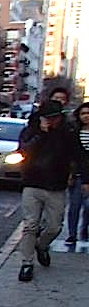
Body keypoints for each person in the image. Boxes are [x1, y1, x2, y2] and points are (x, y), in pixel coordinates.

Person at [16, 100, 89, 282]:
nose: (52, 121)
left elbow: (79, 156)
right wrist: (41, 133)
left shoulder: (68, 133)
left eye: (55, 118)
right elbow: (24, 150)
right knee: (30, 225)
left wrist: (85, 179)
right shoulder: (32, 130)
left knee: (55, 226)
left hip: (56, 186)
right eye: (49, 118)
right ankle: (27, 263)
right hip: (32, 183)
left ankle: (42, 245)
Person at [64, 101, 89, 244]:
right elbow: (71, 155)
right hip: (77, 174)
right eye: (83, 113)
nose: (86, 116)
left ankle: (85, 228)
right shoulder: (74, 133)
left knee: (88, 206)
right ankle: (72, 234)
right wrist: (70, 173)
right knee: (74, 205)